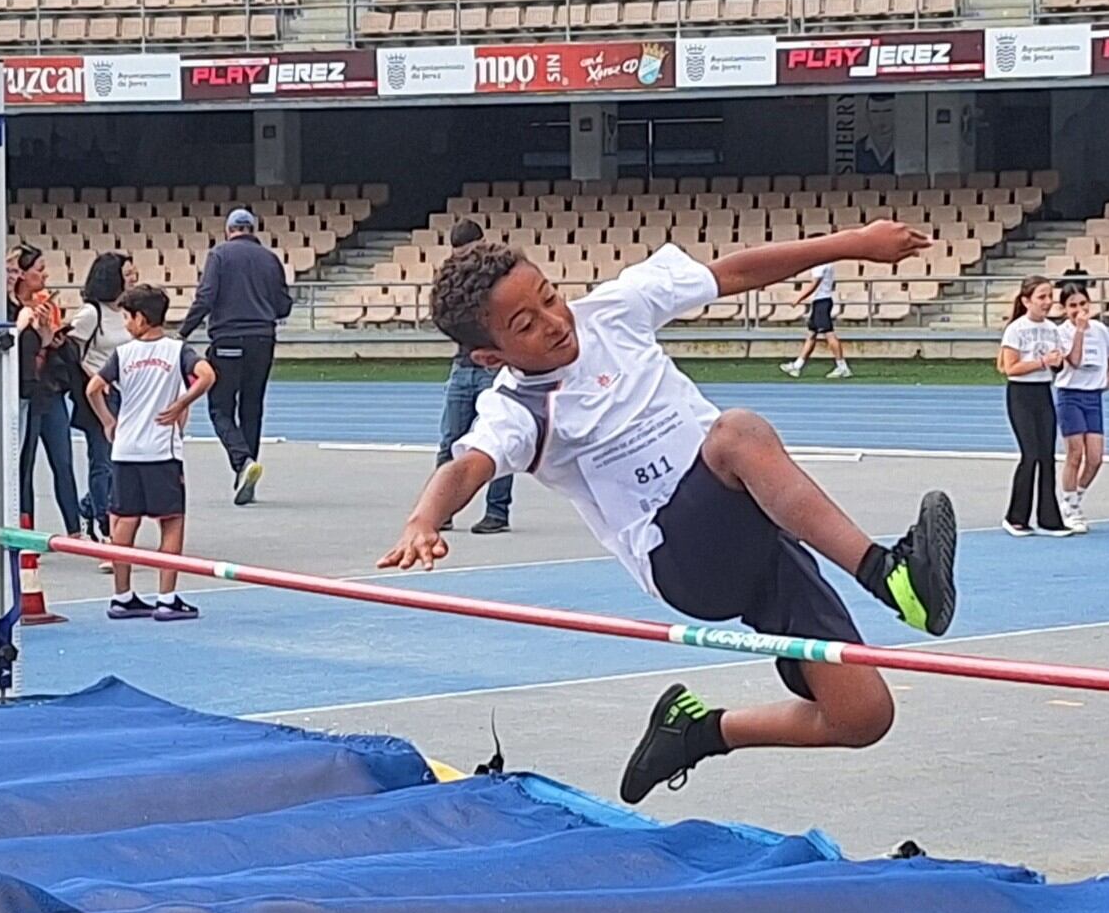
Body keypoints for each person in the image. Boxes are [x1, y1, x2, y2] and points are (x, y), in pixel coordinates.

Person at [384, 223, 957, 808]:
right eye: (525, 325)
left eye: (551, 297)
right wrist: (423, 519)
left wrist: (854, 243)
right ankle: (886, 573)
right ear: (490, 356)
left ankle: (696, 732)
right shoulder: (517, 410)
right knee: (736, 434)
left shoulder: (614, 310)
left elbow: (735, 271)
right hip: (682, 559)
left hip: (754, 533)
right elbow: (467, 466)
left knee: (862, 715)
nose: (554, 322)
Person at [88, 283, 213, 621]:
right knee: (171, 521)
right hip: (161, 450)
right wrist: (182, 403)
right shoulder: (177, 351)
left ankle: (122, 595)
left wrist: (108, 421)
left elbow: (93, 388)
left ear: (142, 319)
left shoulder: (123, 354)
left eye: (127, 317)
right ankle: (167, 597)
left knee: (124, 520)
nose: (126, 324)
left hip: (126, 449)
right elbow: (206, 375)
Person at [181, 206, 292, 506]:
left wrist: (184, 332)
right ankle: (248, 471)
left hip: (228, 337)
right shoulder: (270, 259)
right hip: (263, 339)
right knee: (252, 406)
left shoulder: (219, 255)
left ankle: (242, 461)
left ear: (228, 230)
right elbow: (283, 304)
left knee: (220, 407)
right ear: (253, 229)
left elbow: (206, 296)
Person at [432, 219, 515, 535]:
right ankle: (443, 509)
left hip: (492, 369)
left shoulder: (499, 278)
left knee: (499, 441)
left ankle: (497, 512)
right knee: (450, 442)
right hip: (463, 366)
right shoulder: (453, 280)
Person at [12, 244, 85, 535]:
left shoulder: (47, 304)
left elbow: (45, 342)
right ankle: (25, 529)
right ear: (22, 274)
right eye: (39, 270)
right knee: (24, 465)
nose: (45, 276)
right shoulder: (10, 309)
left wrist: (50, 334)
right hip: (25, 391)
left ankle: (75, 529)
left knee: (63, 461)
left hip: (50, 390)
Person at [995, 276, 1070, 537]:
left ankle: (1049, 519)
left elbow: (1057, 366)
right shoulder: (1016, 329)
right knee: (1031, 455)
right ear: (1027, 301)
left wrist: (1058, 363)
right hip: (1021, 395)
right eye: (1041, 297)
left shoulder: (1052, 329)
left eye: (1050, 296)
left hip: (1043, 392)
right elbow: (1011, 368)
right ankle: (1015, 517)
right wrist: (1042, 362)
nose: (1047, 302)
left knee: (1047, 456)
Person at [68, 251, 135, 541]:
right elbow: (69, 350)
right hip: (99, 394)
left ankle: (88, 505)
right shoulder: (91, 313)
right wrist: (93, 376)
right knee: (102, 459)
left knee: (121, 458)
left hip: (126, 392)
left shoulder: (127, 311)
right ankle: (103, 521)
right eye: (128, 274)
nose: (133, 278)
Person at [1052, 280, 1109, 534]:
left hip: (1094, 396)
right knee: (1075, 453)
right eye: (1072, 306)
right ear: (1064, 309)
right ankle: (1070, 507)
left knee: (1095, 457)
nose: (1079, 309)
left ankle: (1075, 496)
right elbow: (1075, 360)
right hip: (1071, 394)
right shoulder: (1061, 333)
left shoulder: (1100, 329)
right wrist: (1079, 331)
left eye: (1083, 304)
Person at [779, 260, 850, 378]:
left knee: (829, 334)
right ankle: (797, 366)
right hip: (820, 302)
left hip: (822, 302)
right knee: (811, 335)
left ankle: (842, 367)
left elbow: (814, 284)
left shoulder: (821, 265)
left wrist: (798, 298)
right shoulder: (826, 263)